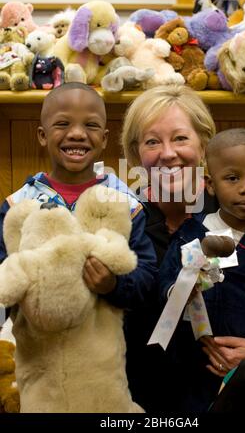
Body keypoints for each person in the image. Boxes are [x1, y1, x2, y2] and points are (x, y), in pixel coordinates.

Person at [121, 85, 245, 413]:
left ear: (204, 144)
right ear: (136, 154)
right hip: (152, 397)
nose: (167, 153)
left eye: (180, 138)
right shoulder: (126, 221)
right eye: (151, 141)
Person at [158, 127, 245, 412]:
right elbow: (167, 297)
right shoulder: (191, 236)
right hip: (195, 372)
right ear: (210, 184)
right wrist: (197, 268)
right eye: (233, 178)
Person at [0, 82, 158, 315]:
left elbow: (146, 277)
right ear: (43, 136)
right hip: (35, 345)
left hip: (103, 347)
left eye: (91, 125)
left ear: (104, 139)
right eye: (63, 124)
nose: (77, 134)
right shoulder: (18, 205)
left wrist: (114, 285)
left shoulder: (125, 204)